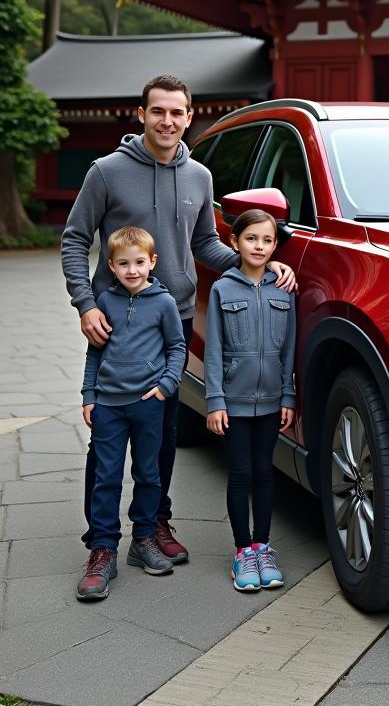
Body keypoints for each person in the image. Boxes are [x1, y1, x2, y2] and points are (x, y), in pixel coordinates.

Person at [61, 75, 296, 564]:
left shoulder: (200, 177)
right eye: (158, 111)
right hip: (115, 322)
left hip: (175, 318)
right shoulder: (106, 172)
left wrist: (257, 263)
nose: (167, 121)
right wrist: (85, 304)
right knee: (106, 439)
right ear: (142, 114)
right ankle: (101, 543)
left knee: (161, 432)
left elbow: (207, 244)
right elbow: (74, 239)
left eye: (177, 113)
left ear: (189, 117)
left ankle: (154, 523)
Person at [76, 226, 186, 600]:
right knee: (106, 476)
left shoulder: (164, 304)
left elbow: (177, 348)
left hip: (147, 404)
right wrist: (89, 394)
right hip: (108, 405)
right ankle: (102, 550)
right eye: (123, 264)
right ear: (111, 265)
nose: (132, 270)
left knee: (148, 473)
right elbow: (95, 352)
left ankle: (143, 539)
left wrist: (166, 386)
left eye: (140, 262)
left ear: (152, 262)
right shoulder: (104, 302)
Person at [205, 209, 296, 592]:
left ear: (275, 245)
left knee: (264, 473)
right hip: (235, 403)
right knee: (240, 474)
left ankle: (263, 545)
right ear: (234, 242)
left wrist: (289, 395)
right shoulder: (222, 289)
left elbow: (290, 347)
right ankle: (243, 551)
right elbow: (213, 348)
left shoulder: (284, 289)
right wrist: (214, 401)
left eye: (267, 240)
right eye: (251, 239)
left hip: (273, 401)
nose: (259, 246)